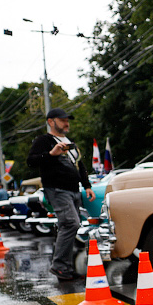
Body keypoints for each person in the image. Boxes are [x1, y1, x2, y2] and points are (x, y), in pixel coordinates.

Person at [26, 108, 94, 281]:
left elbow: (80, 166)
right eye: (62, 119)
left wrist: (86, 185)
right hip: (57, 189)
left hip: (73, 190)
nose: (66, 123)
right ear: (51, 121)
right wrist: (51, 154)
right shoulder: (44, 140)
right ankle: (59, 266)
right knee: (71, 223)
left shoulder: (70, 142)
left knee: (68, 226)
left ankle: (65, 268)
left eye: (67, 120)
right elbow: (31, 161)